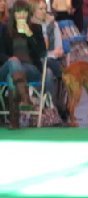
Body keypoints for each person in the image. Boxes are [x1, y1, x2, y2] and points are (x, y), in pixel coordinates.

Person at [0, 0, 48, 129]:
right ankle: (25, 98)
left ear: (28, 14)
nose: (21, 16)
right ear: (13, 14)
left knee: (13, 76)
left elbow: (42, 52)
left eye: (24, 13)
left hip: (30, 69)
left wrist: (29, 35)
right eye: (18, 13)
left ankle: (14, 121)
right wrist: (11, 59)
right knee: (14, 64)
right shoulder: (5, 30)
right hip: (7, 66)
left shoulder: (35, 29)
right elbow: (1, 53)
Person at [30, 0, 67, 120]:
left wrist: (48, 55)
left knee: (48, 70)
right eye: (40, 9)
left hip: (49, 61)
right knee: (48, 70)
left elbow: (59, 49)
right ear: (33, 11)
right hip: (36, 63)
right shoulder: (29, 26)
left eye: (45, 8)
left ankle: (49, 108)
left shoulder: (53, 24)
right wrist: (49, 54)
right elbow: (33, 51)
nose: (44, 11)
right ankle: (52, 108)